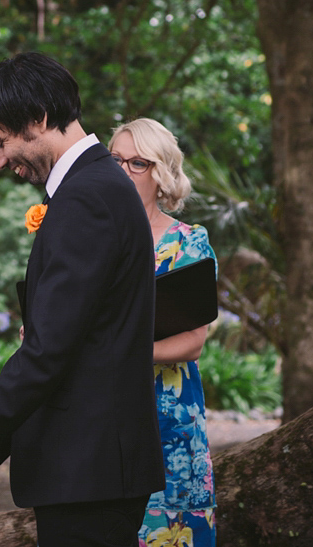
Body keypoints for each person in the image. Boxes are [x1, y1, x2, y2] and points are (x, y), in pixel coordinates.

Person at [0, 52, 165, 546]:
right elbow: (80, 346)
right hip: (95, 468)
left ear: (38, 118)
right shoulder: (98, 187)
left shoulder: (86, 197)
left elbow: (47, 355)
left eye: (0, 143)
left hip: (90, 473)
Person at [108, 118, 217, 546]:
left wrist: (121, 351)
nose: (121, 172)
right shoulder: (91, 239)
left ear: (161, 174)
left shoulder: (189, 244)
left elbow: (194, 341)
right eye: (114, 160)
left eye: (136, 163)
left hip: (170, 423)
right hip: (104, 418)